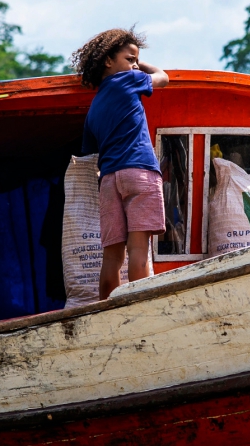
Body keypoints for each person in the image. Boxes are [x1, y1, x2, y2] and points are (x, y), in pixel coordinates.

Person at [72, 28, 169, 300]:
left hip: (109, 181)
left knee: (112, 256)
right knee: (139, 250)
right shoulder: (128, 80)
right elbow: (163, 78)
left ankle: (106, 311)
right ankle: (141, 308)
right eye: (130, 58)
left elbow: (89, 155)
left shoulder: (93, 109)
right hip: (139, 171)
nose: (135, 65)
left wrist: (133, 57)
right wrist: (144, 63)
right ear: (107, 61)